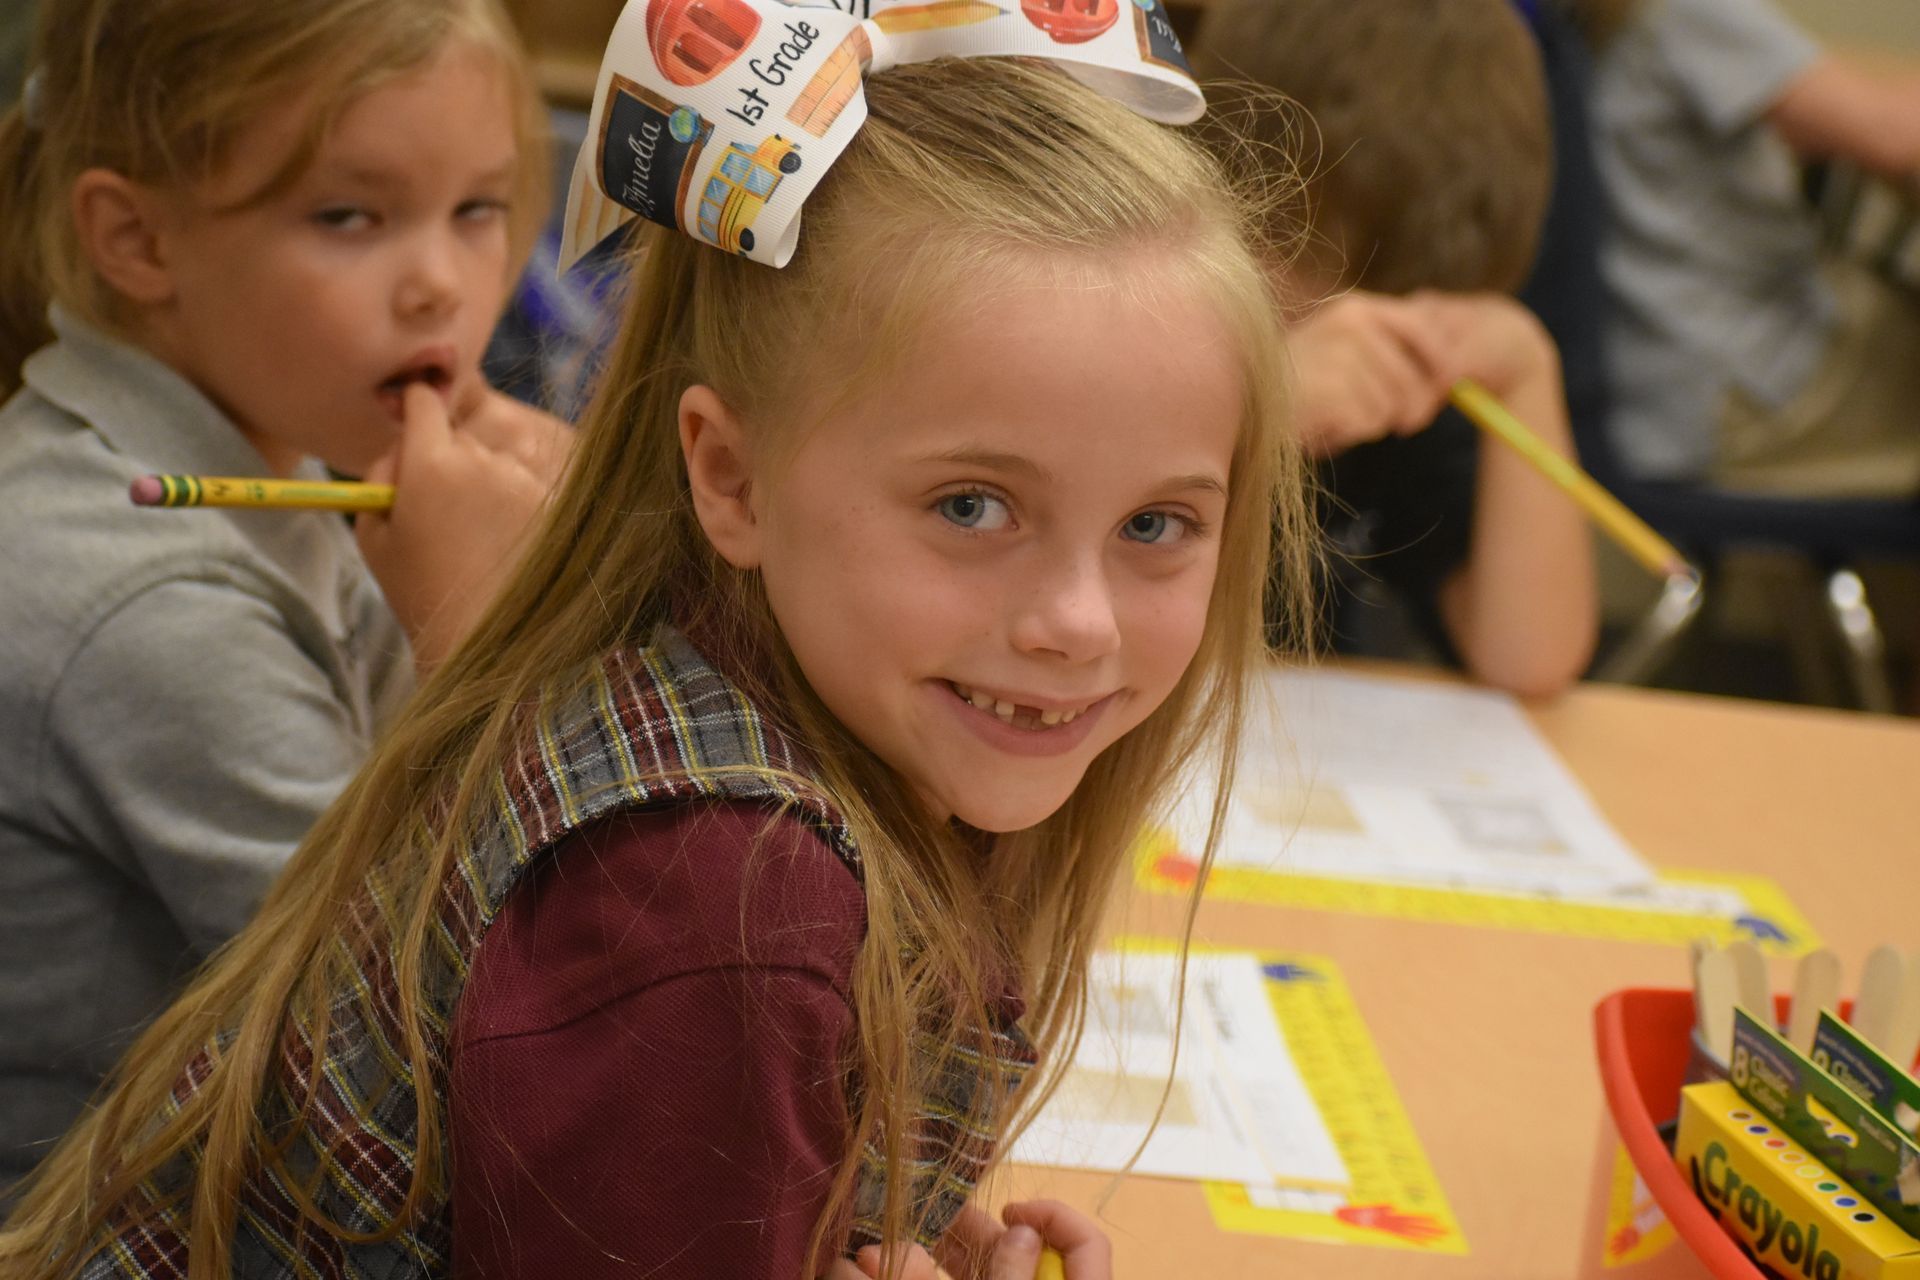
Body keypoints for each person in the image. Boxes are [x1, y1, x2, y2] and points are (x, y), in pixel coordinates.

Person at [0, 33, 1318, 1280]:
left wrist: (830, 1206)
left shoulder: (743, 721)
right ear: (729, 477)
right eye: (971, 506)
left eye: (1157, 523)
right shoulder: (716, 902)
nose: (1076, 622)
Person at [0, 0, 568, 1192]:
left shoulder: (293, 452)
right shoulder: (146, 599)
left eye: (477, 208)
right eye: (348, 216)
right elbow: (445, 1046)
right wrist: (493, 619)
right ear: (137, 241)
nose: (440, 287)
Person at [1192, 0, 1599, 698]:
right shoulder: (1124, 319)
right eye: (1323, 299)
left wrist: (1529, 371)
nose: (1364, 336)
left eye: (1407, 309)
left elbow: (1530, 658)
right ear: (1226, 201)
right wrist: (1255, 412)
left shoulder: (1410, 368)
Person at [1580, 0, 1920, 496]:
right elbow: (1896, 134)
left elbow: (1825, 79)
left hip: (1667, 385)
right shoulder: (1686, 11)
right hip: (1738, 395)